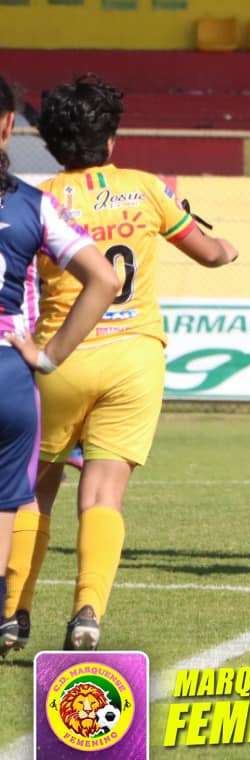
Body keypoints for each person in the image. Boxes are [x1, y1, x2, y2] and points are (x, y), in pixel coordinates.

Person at [3, 75, 236, 651]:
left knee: (30, 492)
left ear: (49, 142)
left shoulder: (39, 195)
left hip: (61, 357)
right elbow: (212, 254)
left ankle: (12, 612)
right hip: (134, 358)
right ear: (111, 139)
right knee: (104, 495)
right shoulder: (147, 188)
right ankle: (87, 612)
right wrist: (220, 242)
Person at [0, 77, 119, 658]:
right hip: (14, 371)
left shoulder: (44, 193)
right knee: (12, 499)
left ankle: (13, 613)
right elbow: (106, 278)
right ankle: (13, 609)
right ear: (9, 126)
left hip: (33, 374)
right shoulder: (32, 203)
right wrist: (47, 355)